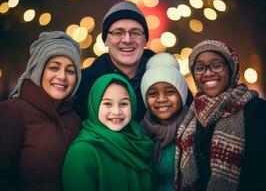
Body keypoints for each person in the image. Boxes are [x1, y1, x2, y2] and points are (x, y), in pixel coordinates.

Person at [174, 39, 266, 191]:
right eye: (200, 68)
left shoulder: (257, 110)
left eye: (216, 65)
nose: (208, 73)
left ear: (231, 69)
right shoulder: (190, 116)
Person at [0, 31, 82, 191]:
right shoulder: (11, 113)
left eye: (70, 71)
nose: (62, 76)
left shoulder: (75, 119)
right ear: (38, 70)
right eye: (54, 67)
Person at [63, 73, 154, 191]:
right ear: (94, 105)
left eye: (124, 104)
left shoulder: (139, 141)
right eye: (107, 104)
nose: (116, 111)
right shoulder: (82, 152)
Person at [74, 0, 155, 121]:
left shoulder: (167, 78)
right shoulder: (83, 83)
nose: (127, 40)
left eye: (135, 33)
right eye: (118, 33)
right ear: (106, 40)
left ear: (145, 40)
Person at [140, 53, 189, 191]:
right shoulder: (140, 133)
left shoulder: (194, 130)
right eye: (153, 94)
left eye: (169, 92)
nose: (161, 99)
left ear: (182, 95)